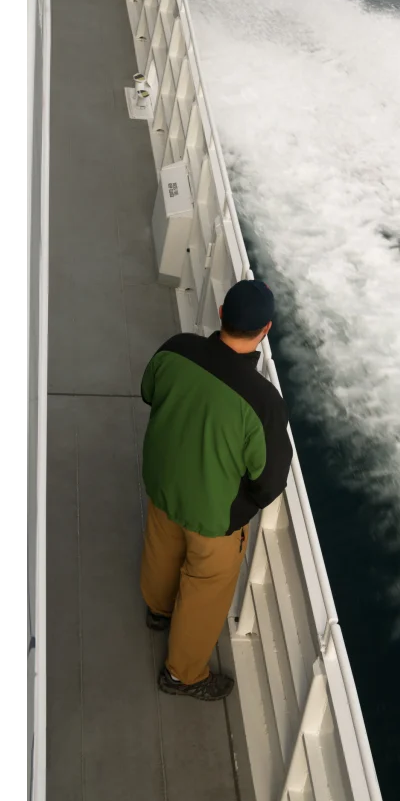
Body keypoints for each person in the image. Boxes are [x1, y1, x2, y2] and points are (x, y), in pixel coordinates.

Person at [139, 279, 293, 701]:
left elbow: (148, 392)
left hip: (162, 482)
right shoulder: (263, 403)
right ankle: (182, 675)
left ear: (222, 313)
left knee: (161, 547)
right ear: (266, 329)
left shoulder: (176, 348)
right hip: (212, 516)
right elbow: (269, 481)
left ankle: (157, 610)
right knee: (206, 588)